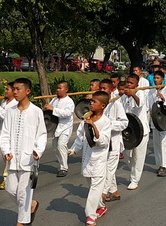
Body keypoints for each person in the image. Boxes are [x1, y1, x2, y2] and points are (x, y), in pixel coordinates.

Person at [0, 78, 46, 226]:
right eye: (13, 89)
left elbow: (42, 134)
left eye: (18, 89)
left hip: (28, 159)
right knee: (10, 189)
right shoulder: (10, 111)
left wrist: (38, 150)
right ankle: (31, 204)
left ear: (28, 91)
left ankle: (22, 221)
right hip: (12, 159)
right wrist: (6, 150)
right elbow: (4, 133)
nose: (15, 92)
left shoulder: (36, 111)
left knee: (23, 192)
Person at [69, 91, 111, 226]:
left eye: (94, 102)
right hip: (87, 159)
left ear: (103, 106)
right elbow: (81, 136)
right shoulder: (86, 118)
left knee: (95, 189)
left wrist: (93, 126)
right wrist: (74, 149)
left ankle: (90, 215)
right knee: (92, 185)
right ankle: (101, 206)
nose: (91, 103)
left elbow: (104, 141)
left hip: (99, 159)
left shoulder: (106, 122)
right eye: (91, 101)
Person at [98, 80, 128, 202]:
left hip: (114, 142)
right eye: (100, 88)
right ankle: (114, 192)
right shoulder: (99, 104)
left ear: (111, 90)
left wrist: (108, 124)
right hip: (102, 142)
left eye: (105, 88)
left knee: (109, 169)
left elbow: (124, 123)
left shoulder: (116, 103)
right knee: (106, 168)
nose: (102, 90)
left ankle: (103, 192)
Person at [121, 74, 149, 190]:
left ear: (137, 84)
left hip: (141, 130)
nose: (128, 85)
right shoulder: (123, 96)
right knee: (127, 155)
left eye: (131, 83)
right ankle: (133, 171)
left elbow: (140, 103)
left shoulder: (140, 92)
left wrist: (133, 94)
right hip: (128, 130)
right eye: (127, 82)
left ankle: (134, 180)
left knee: (138, 157)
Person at [148, 71, 166, 177]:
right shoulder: (150, 91)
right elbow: (148, 106)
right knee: (156, 143)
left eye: (158, 78)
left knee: (164, 143)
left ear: (162, 79)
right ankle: (159, 164)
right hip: (155, 120)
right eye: (154, 78)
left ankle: (163, 166)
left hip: (165, 120)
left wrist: (164, 99)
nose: (156, 80)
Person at [43, 81, 75, 177]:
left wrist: (53, 109)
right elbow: (50, 111)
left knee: (61, 145)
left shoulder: (69, 101)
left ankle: (63, 168)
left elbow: (67, 113)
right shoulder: (54, 100)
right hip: (55, 127)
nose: (58, 90)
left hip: (66, 126)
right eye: (57, 88)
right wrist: (46, 109)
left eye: (60, 88)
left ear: (66, 89)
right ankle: (62, 163)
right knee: (55, 147)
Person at [0, 82, 18, 190]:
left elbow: (7, 116)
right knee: (5, 158)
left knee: (9, 158)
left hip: (12, 134)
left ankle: (6, 181)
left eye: (7, 89)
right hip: (3, 134)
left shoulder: (16, 103)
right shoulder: (4, 102)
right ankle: (12, 178)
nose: (5, 91)